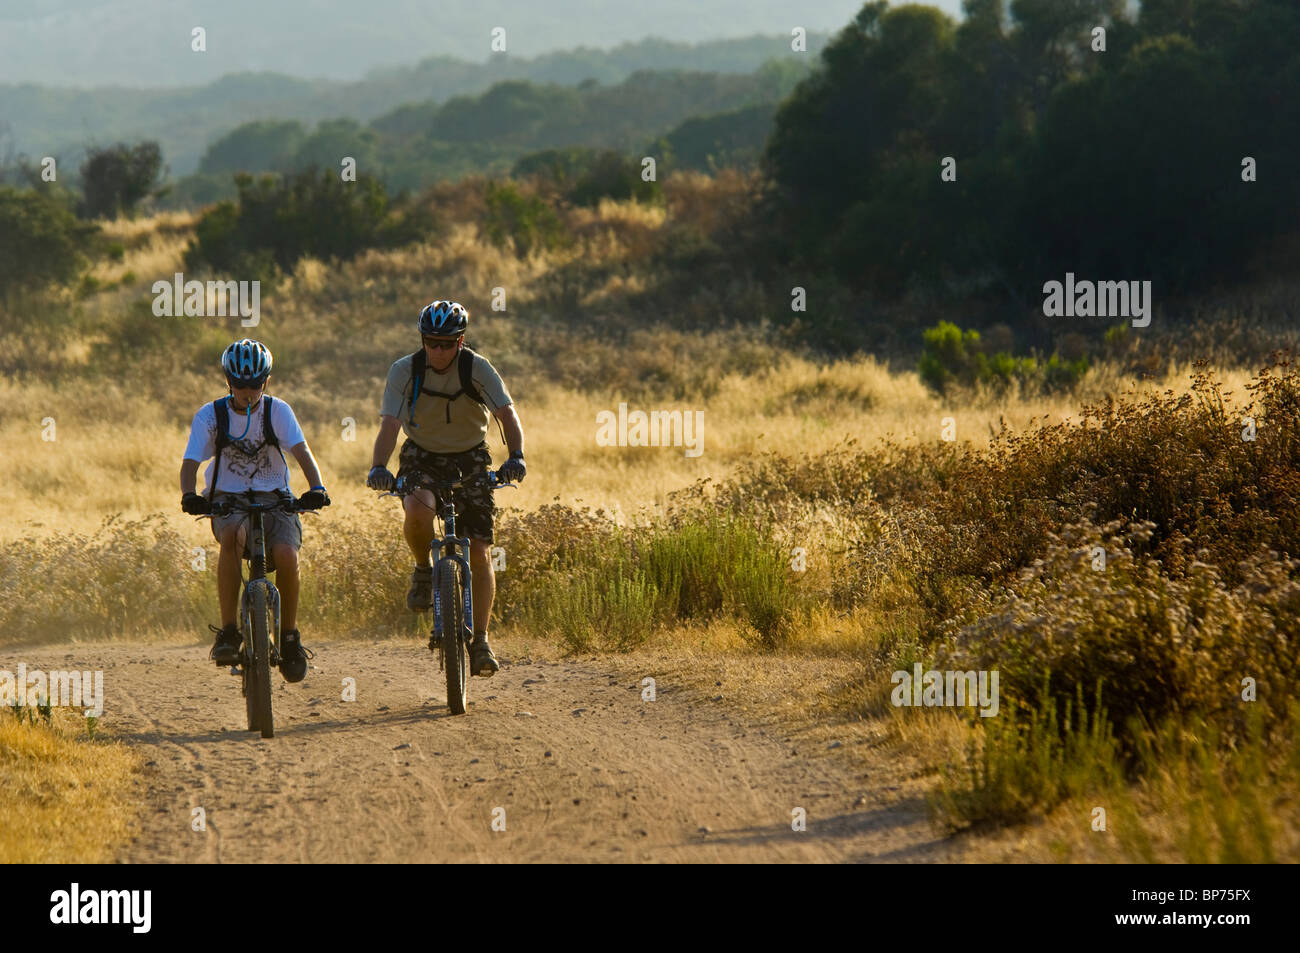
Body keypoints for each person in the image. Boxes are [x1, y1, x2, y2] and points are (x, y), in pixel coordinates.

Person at [366, 300, 526, 677]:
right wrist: (378, 467)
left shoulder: (477, 367)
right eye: (431, 342)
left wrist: (516, 455)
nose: (438, 351)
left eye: (447, 343)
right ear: (422, 340)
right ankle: (423, 570)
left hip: (471, 458)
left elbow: (507, 414)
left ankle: (482, 639)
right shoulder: (404, 370)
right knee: (417, 511)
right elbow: (389, 424)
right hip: (422, 457)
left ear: (461, 341)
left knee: (481, 551)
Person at [179, 339, 330, 683]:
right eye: (240, 384)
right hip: (227, 499)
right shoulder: (211, 415)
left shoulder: (278, 411)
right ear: (228, 381)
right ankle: (229, 632)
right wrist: (190, 495)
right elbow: (189, 463)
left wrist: (317, 488)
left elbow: (302, 452)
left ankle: (289, 637)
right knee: (232, 536)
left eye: (255, 384)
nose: (247, 392)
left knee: (287, 556)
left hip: (275, 496)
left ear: (267, 381)